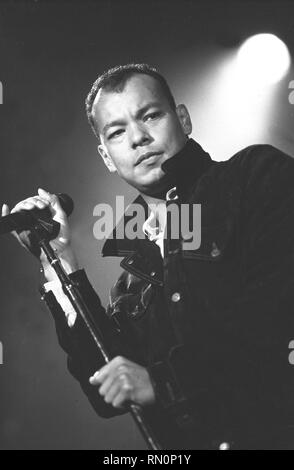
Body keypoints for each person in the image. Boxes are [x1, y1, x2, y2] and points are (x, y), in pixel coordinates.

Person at [3, 63, 294, 450]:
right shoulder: (132, 275)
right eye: (117, 132)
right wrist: (60, 261)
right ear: (106, 156)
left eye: (150, 115)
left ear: (184, 119)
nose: (138, 138)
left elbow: (274, 320)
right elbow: (106, 390)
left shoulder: (255, 177)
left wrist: (163, 383)